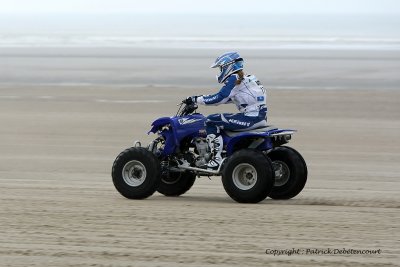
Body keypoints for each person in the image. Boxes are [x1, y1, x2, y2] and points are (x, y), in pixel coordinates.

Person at [187, 52, 268, 170]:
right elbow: (228, 98)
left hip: (251, 118)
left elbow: (219, 98)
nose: (220, 72)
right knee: (220, 118)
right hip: (260, 117)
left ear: (228, 66)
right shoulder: (249, 78)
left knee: (211, 120)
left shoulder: (234, 78)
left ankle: (216, 160)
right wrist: (203, 97)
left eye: (221, 68)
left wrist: (196, 99)